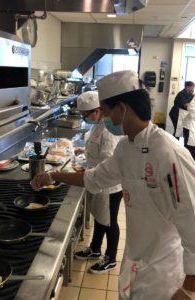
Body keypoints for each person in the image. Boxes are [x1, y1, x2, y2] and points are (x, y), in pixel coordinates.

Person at [31, 70, 195, 300]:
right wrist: (54, 176)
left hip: (164, 272)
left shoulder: (169, 152)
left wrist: (189, 288)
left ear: (122, 109)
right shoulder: (126, 148)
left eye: (106, 112)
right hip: (135, 258)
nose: (106, 119)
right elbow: (94, 178)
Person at [73, 91, 123, 274]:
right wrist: (83, 151)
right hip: (97, 181)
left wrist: (88, 173)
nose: (83, 118)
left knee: (110, 221)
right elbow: (95, 147)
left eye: (84, 115)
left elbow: (108, 162)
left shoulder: (109, 130)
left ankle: (110, 258)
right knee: (100, 218)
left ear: (96, 111)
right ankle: (95, 249)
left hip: (109, 186)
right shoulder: (98, 124)